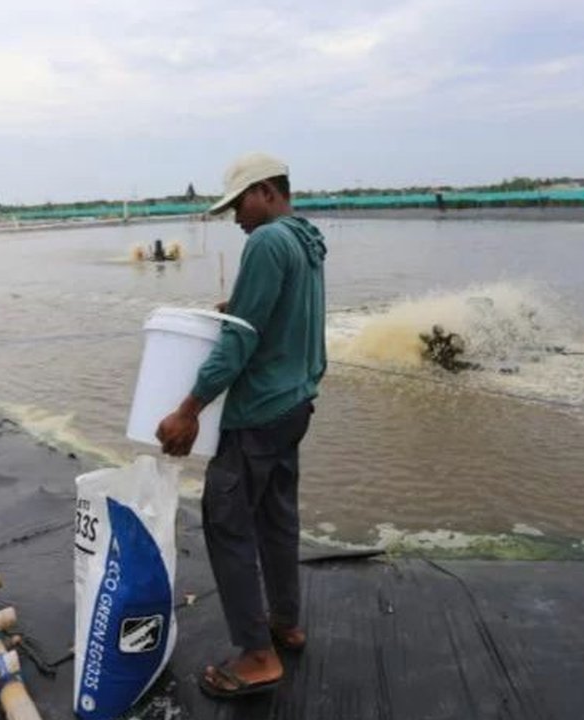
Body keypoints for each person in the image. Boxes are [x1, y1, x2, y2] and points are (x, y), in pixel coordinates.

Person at [155, 152, 327, 699]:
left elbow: (240, 340)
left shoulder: (267, 241)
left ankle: (257, 655)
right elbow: (291, 310)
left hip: (258, 412)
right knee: (277, 516)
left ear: (267, 192)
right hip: (295, 404)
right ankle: (285, 622)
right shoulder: (305, 238)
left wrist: (189, 409)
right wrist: (242, 302)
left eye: (239, 204)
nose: (235, 218)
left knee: (226, 520)